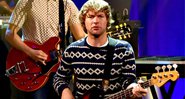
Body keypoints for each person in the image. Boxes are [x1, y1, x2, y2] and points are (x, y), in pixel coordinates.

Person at [53, 0, 148, 99]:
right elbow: (59, 78)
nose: (95, 21)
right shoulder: (72, 50)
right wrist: (65, 91)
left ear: (107, 20)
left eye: (100, 16)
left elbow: (128, 80)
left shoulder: (123, 49)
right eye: (91, 16)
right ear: (83, 21)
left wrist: (134, 88)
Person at [5, 0, 86, 99]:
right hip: (33, 68)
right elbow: (9, 34)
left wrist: (100, 40)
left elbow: (81, 37)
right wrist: (30, 52)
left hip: (58, 68)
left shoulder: (67, 4)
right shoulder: (26, 2)